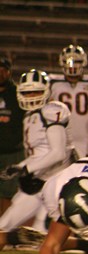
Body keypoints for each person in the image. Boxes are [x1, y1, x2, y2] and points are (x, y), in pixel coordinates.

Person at [0, 69, 74, 242]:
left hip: (58, 183)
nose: (32, 96)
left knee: (50, 234)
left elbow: (58, 153)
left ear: (47, 91)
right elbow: (38, 154)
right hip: (38, 183)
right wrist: (19, 168)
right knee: (4, 225)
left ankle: (86, 246)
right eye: (27, 92)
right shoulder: (30, 116)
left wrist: (26, 168)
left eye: (36, 91)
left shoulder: (52, 110)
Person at [49, 44, 88, 158]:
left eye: (77, 61)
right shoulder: (52, 82)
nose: (72, 66)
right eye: (69, 61)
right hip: (60, 138)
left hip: (86, 138)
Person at [0, 57, 25, 217]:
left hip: (12, 151)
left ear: (9, 72)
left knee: (10, 193)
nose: (0, 74)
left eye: (3, 70)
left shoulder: (18, 94)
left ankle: (4, 229)